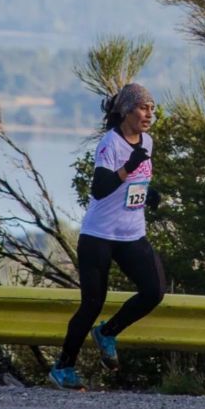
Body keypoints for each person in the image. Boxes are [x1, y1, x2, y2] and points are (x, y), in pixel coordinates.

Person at [48, 83, 165, 390]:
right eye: (143, 107)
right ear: (125, 110)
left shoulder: (147, 142)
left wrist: (147, 192)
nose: (149, 114)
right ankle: (64, 368)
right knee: (92, 304)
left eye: (152, 108)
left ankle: (108, 333)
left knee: (154, 291)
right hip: (99, 234)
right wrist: (130, 166)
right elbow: (100, 188)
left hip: (131, 235)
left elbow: (132, 182)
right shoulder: (109, 144)